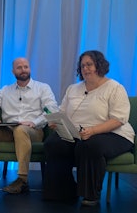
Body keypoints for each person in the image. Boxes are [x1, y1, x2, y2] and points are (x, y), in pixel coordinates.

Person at [43, 50, 135, 206]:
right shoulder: (73, 89)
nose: (85, 69)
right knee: (53, 143)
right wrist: (56, 122)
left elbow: (119, 119)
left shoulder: (115, 88)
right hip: (79, 133)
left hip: (114, 133)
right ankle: (63, 191)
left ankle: (90, 195)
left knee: (89, 145)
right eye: (83, 66)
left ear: (99, 65)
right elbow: (62, 112)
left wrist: (93, 131)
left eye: (89, 64)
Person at [0, 57, 58, 194]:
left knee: (21, 130)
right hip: (8, 130)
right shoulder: (6, 90)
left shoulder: (42, 88)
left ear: (29, 68)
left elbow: (51, 110)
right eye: (19, 67)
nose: (23, 70)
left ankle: (22, 180)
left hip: (33, 131)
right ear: (13, 71)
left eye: (26, 67)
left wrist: (34, 122)